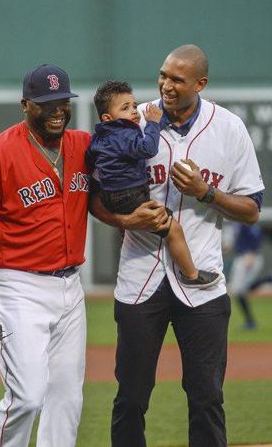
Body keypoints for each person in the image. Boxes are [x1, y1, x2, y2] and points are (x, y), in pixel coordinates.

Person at [89, 44, 265, 447]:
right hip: (139, 275)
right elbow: (94, 197)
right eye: (163, 75)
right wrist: (123, 219)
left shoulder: (229, 128)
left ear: (200, 84)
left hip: (202, 281)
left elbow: (252, 209)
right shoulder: (133, 120)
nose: (166, 85)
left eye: (177, 80)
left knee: (206, 398)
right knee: (131, 398)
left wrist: (208, 194)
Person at [0, 64, 91, 447]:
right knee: (27, 396)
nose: (58, 110)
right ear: (26, 105)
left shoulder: (81, 146)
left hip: (70, 286)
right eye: (47, 104)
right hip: (15, 286)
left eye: (63, 102)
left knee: (67, 398)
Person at [87, 80, 220, 289]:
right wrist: (153, 123)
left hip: (109, 196)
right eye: (125, 108)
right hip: (129, 195)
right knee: (173, 228)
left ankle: (127, 236)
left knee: (134, 227)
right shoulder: (124, 132)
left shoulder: (98, 138)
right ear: (107, 118)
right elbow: (147, 149)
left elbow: (91, 160)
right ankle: (192, 275)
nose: (134, 111)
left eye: (133, 105)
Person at [227, 223, 264, 329]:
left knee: (236, 290)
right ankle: (250, 322)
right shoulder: (235, 224)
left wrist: (253, 252)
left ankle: (249, 322)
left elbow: (257, 236)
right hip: (242, 256)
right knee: (239, 291)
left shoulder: (245, 221)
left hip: (248, 257)